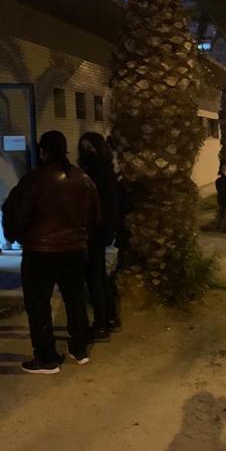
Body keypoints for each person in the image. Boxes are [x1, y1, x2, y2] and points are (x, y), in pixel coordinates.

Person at [3, 131, 101, 374]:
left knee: (38, 304)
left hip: (40, 252)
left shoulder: (34, 179)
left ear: (43, 151)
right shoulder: (83, 179)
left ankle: (46, 357)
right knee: (75, 300)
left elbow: (16, 215)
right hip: (75, 250)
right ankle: (79, 348)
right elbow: (95, 216)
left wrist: (15, 235)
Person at [78, 132, 121, 341]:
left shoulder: (92, 173)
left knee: (95, 278)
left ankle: (101, 325)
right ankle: (111, 319)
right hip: (103, 231)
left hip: (94, 232)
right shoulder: (107, 171)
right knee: (101, 278)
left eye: (88, 147)